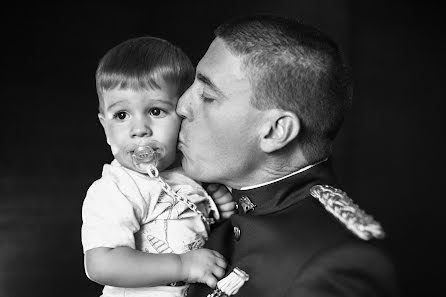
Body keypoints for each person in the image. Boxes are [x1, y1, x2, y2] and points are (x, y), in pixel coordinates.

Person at [177, 15, 399, 297]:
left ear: (275, 132)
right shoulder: (207, 202)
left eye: (207, 96)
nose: (182, 105)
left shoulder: (336, 263)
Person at [81, 36, 236, 297]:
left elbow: (188, 227)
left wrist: (214, 209)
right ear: (105, 128)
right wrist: (182, 266)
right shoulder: (116, 189)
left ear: (184, 116)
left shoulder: (191, 172)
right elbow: (101, 263)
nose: (139, 129)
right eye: (121, 115)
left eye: (155, 111)